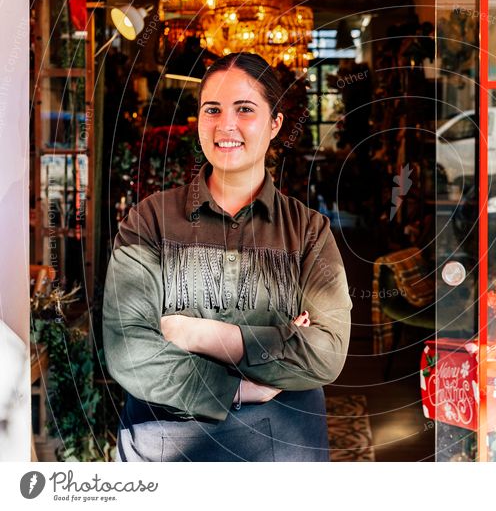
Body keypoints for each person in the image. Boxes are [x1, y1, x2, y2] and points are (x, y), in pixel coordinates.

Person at [103, 52, 352, 462]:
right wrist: (240, 387)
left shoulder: (308, 232)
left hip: (282, 452)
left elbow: (326, 352)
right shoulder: (150, 220)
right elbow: (128, 347)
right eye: (212, 109)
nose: (226, 125)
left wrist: (197, 334)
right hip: (163, 449)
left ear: (275, 125)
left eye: (245, 109)